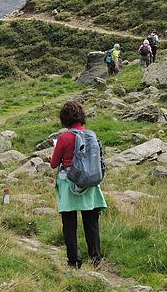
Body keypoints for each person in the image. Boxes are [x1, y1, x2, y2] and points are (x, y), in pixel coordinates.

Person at [50, 101, 107, 268]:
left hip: (69, 183)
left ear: (64, 119)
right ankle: (96, 258)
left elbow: (54, 164)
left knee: (69, 224)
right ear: (82, 117)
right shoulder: (92, 135)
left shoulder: (64, 138)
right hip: (90, 183)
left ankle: (74, 261)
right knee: (91, 223)